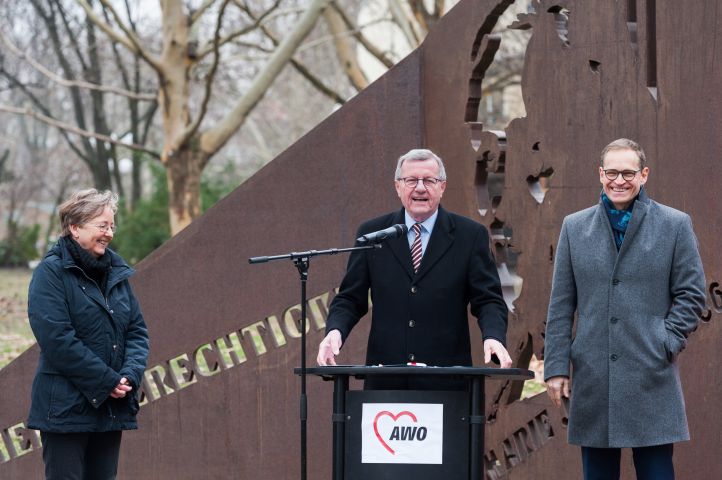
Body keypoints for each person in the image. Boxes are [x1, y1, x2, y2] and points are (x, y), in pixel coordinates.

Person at [544, 138, 706, 480]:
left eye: (628, 173)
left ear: (644, 175)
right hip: (594, 376)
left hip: (651, 376)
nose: (620, 180)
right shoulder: (575, 228)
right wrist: (557, 367)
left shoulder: (674, 225)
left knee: (657, 473)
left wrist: (665, 340)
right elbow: (561, 305)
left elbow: (692, 294)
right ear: (600, 175)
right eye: (612, 172)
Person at [316, 148, 512, 389]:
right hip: (386, 384)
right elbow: (349, 298)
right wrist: (334, 332)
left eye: (429, 180)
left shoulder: (470, 236)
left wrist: (493, 336)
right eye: (411, 180)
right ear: (398, 186)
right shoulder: (372, 234)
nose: (420, 188)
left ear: (442, 187)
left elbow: (488, 300)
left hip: (446, 384)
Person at [27, 189, 150, 480]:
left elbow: (137, 331)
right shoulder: (50, 273)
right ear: (75, 227)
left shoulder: (116, 274)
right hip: (65, 411)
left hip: (110, 409)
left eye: (111, 226)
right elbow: (57, 339)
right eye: (101, 225)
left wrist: (128, 377)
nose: (109, 233)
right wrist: (106, 380)